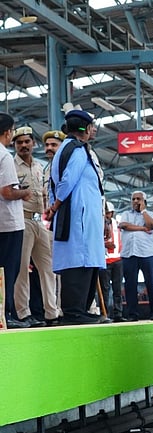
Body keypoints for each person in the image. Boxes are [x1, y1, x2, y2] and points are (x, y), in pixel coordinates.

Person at [45, 110, 105, 325]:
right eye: (91, 126)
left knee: (87, 262)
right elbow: (66, 180)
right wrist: (55, 206)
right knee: (78, 261)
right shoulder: (76, 150)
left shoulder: (72, 148)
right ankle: (73, 312)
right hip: (78, 216)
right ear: (85, 128)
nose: (93, 130)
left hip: (84, 216)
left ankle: (81, 310)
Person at [12, 126, 60, 327]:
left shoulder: (40, 166)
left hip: (40, 221)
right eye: (19, 142)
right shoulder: (10, 166)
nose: (23, 145)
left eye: (27, 141)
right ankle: (23, 313)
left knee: (49, 268)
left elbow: (43, 192)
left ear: (33, 143)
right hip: (21, 220)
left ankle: (52, 312)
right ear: (14, 145)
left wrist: (48, 208)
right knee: (22, 269)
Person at [0, 114, 34, 328]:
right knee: (8, 272)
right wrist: (24, 193)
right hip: (8, 223)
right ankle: (6, 315)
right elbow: (6, 191)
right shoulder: (4, 156)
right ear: (8, 132)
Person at [119, 190, 153, 321]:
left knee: (151, 283)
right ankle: (132, 314)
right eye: (133, 199)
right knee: (130, 284)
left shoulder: (151, 214)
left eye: (138, 199)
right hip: (129, 254)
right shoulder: (125, 214)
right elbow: (124, 225)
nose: (135, 201)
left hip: (147, 253)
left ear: (144, 201)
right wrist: (142, 228)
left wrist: (143, 212)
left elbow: (151, 225)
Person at [100, 201, 124, 321]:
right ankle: (105, 314)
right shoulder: (99, 223)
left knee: (117, 289)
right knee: (105, 289)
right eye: (105, 213)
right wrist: (105, 244)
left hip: (118, 260)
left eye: (109, 213)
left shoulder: (117, 224)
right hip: (104, 261)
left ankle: (118, 314)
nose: (107, 215)